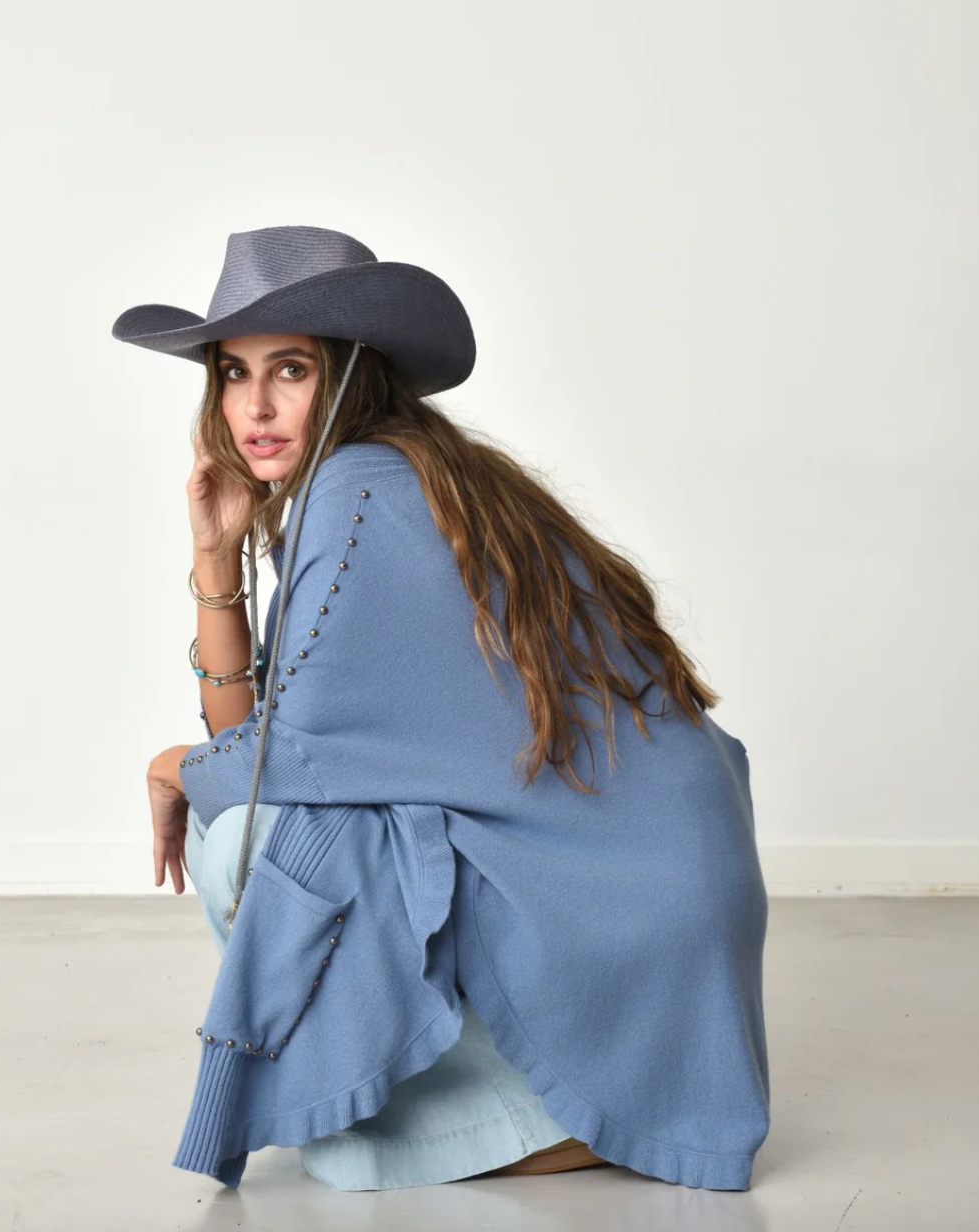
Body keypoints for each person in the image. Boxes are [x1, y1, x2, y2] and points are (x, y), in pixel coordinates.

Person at [112, 225, 770, 1193]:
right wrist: (217, 557)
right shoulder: (402, 472)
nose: (253, 407)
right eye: (232, 373)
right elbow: (270, 739)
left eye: (290, 370)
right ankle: (516, 1102)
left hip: (619, 896)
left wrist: (171, 767)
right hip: (651, 884)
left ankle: (532, 1117)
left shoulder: (357, 492)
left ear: (349, 373)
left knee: (246, 840)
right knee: (265, 823)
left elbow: (269, 764)